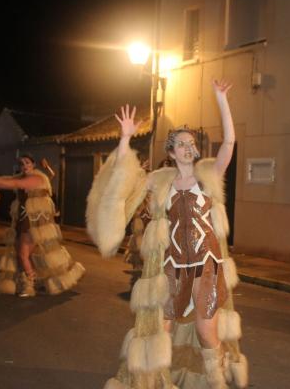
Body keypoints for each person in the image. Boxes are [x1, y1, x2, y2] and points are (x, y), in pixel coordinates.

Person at [87, 80, 247, 388]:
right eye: (182, 144)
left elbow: (229, 143)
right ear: (171, 152)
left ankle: (217, 381)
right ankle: (157, 382)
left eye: (192, 143)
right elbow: (124, 181)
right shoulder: (158, 181)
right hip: (172, 268)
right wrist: (124, 138)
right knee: (159, 331)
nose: (189, 147)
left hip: (207, 266)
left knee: (205, 332)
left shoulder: (209, 174)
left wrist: (221, 99)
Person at [0, 153, 85, 297]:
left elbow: (19, 185)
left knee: (23, 254)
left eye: (27, 163)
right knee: (26, 254)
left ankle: (29, 286)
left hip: (33, 223)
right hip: (22, 220)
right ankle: (35, 279)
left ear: (33, 164)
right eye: (22, 164)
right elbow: (10, 181)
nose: (24, 166)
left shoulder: (38, 178)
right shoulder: (22, 177)